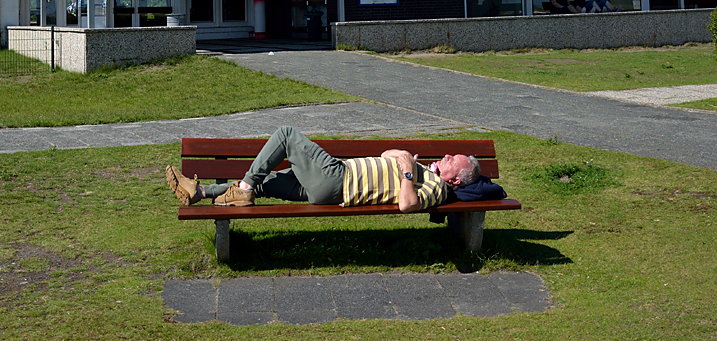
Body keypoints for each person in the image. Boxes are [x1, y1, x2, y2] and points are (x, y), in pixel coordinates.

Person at [165, 125, 482, 212]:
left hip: (339, 179)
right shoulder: (421, 168)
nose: (447, 154)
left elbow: (407, 204)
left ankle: (243, 190)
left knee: (287, 134)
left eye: (455, 158)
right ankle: (201, 191)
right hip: (325, 190)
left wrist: (408, 174)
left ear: (455, 178)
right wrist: (403, 157)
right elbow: (386, 154)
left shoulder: (438, 189)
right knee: (266, 180)